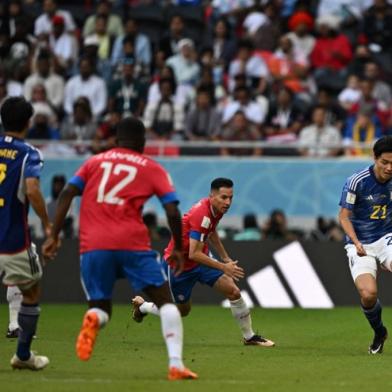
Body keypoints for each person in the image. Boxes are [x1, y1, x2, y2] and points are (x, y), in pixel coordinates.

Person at [42, 117, 197, 381]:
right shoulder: (151, 167)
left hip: (93, 246)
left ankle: (93, 319)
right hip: (132, 244)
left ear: (115, 140)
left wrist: (54, 234)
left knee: (101, 307)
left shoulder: (94, 162)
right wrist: (180, 248)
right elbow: (172, 209)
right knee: (165, 302)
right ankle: (175, 364)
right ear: (143, 142)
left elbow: (67, 192)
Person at [132, 178, 275, 348]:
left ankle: (249, 337)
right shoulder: (202, 214)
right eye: (224, 197)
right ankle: (144, 307)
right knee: (182, 311)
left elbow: (211, 231)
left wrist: (225, 257)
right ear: (212, 196)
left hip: (201, 261)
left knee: (234, 291)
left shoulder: (217, 209)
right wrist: (224, 267)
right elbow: (193, 253)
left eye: (230, 197)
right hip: (179, 267)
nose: (228, 202)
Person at [0, 97, 51, 369]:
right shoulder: (29, 153)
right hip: (11, 241)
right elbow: (31, 189)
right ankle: (22, 356)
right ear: (28, 122)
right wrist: (48, 224)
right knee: (31, 293)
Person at [338, 136, 392, 354]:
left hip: (387, 236)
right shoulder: (357, 181)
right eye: (385, 162)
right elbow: (343, 217)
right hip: (359, 243)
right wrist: (356, 242)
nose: (390, 168)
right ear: (375, 158)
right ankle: (379, 332)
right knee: (368, 294)